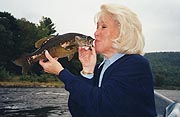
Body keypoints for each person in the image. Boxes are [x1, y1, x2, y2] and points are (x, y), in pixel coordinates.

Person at [39, 4, 157, 117]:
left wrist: (61, 72)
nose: (96, 33)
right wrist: (87, 71)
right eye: (97, 27)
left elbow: (102, 107)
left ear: (123, 33)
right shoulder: (100, 67)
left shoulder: (136, 64)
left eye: (103, 27)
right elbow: (78, 111)